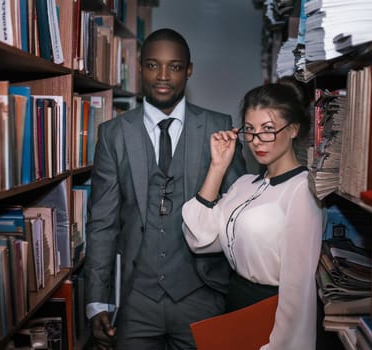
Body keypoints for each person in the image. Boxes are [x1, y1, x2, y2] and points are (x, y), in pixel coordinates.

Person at [84, 28, 246, 350]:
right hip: (134, 301)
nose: (162, 75)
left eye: (174, 66)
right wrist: (97, 301)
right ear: (140, 68)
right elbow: (102, 223)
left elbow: (235, 215)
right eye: (152, 65)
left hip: (201, 295)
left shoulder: (218, 127)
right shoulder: (114, 134)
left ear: (189, 70)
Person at [182, 82, 323, 349]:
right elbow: (198, 238)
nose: (257, 140)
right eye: (250, 130)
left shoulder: (302, 190)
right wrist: (218, 166)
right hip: (235, 304)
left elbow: (297, 290)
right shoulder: (243, 185)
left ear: (293, 129)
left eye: (268, 130)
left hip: (271, 314)